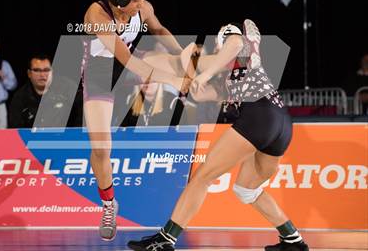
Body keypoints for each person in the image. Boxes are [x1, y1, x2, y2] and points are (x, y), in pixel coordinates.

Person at [127, 20, 309, 251]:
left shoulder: (241, 53)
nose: (215, 52)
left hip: (260, 116)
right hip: (281, 123)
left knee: (202, 177)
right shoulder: (230, 79)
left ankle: (165, 239)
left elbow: (234, 42)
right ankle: (292, 239)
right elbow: (200, 95)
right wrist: (187, 74)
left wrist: (205, 72)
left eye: (216, 48)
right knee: (247, 189)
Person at [82, 0, 191, 241]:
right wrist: (174, 80)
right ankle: (109, 204)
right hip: (101, 75)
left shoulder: (142, 8)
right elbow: (128, 63)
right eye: (137, 0)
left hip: (133, 64)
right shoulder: (96, 15)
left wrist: (183, 57)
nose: (141, 4)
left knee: (166, 60)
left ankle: (191, 96)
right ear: (118, 0)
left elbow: (159, 29)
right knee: (101, 148)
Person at [9, 53, 83, 128]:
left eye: (46, 70)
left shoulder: (68, 88)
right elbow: (15, 128)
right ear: (29, 73)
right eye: (37, 70)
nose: (42, 75)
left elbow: (83, 115)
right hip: (34, 138)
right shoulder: (20, 97)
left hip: (66, 137)